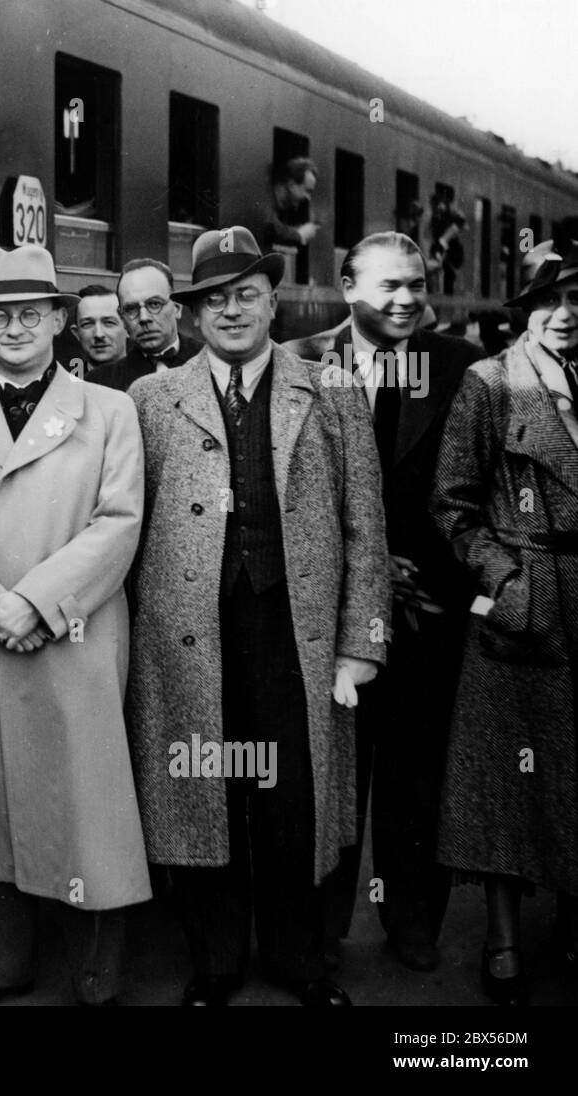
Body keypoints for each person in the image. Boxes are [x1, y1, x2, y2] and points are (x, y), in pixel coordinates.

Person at [127, 226, 390, 1007]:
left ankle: (299, 960)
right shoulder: (151, 398)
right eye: (215, 299)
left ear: (274, 300)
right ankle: (215, 965)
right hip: (190, 634)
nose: (232, 311)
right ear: (194, 313)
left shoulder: (331, 390)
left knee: (292, 797)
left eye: (247, 294)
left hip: (295, 633)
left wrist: (362, 642)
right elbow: (125, 525)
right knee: (206, 790)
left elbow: (365, 526)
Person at [0, 244, 151, 1006]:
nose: (13, 328)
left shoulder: (111, 412)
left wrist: (38, 602)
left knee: (86, 800)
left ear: (58, 320)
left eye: (30, 313)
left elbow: (119, 523)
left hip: (72, 639)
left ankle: (94, 971)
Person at [286, 232, 481, 973]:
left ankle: (412, 922)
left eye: (416, 284)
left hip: (431, 608)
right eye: (388, 286)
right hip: (328, 608)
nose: (406, 299)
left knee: (415, 767)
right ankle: (324, 925)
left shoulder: (462, 368)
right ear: (346, 286)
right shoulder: (301, 361)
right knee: (331, 768)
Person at [431, 246, 578, 1006]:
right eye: (551, 301)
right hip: (527, 607)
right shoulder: (490, 384)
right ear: (525, 308)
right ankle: (503, 938)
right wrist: (507, 580)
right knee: (502, 781)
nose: (567, 315)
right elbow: (452, 506)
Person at [88, 258, 202, 391]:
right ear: (122, 319)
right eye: (131, 309)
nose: (144, 318)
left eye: (154, 304)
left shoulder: (212, 361)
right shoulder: (100, 383)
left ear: (177, 308)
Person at [71, 284, 128, 375]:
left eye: (109, 323)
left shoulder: (148, 381)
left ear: (128, 328)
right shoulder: (67, 386)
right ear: (76, 333)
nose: (98, 334)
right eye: (87, 324)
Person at [266, 156, 320, 248]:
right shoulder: (266, 200)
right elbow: (270, 228)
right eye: (307, 191)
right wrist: (299, 235)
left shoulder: (278, 204)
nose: (308, 198)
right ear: (291, 185)